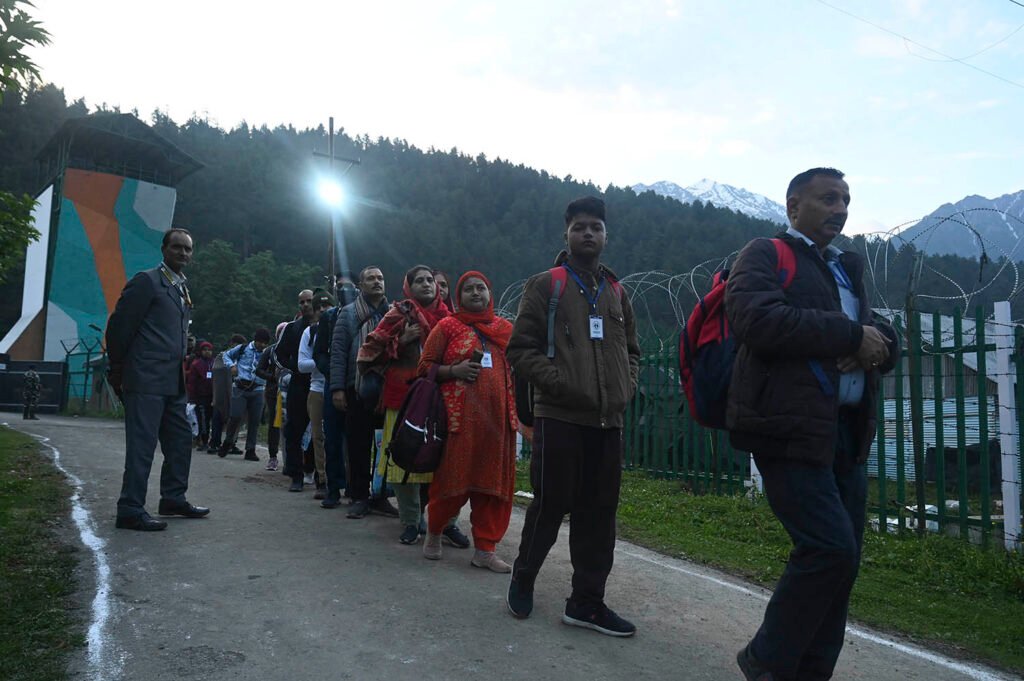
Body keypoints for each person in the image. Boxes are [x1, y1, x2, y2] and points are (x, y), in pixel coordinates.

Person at [726, 168, 898, 681]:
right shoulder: (765, 254)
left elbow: (880, 335)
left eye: (846, 199)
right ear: (794, 205)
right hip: (787, 429)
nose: (841, 208)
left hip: (845, 433)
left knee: (843, 564)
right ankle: (767, 661)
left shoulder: (845, 267)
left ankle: (811, 671)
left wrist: (874, 344)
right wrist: (848, 337)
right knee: (828, 547)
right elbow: (756, 319)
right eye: (828, 198)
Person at [505, 196, 640, 637]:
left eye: (596, 227)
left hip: (607, 422)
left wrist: (626, 386)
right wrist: (560, 383)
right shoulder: (548, 284)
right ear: (566, 233)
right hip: (559, 417)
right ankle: (524, 576)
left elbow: (632, 352)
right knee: (549, 506)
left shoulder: (618, 292)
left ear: (606, 235)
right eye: (580, 226)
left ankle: (586, 603)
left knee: (599, 516)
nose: (588, 233)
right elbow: (520, 349)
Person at [106, 227, 209, 531]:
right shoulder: (147, 281)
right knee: (142, 446)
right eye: (177, 247)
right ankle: (130, 508)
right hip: (146, 379)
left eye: (188, 249)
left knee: (180, 441)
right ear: (164, 249)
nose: (183, 253)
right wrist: (118, 367)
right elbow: (119, 326)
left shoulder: (180, 287)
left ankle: (173, 498)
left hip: (173, 381)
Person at [418, 271, 516, 570]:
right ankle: (434, 532)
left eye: (481, 288)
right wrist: (454, 371)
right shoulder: (447, 326)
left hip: (498, 424)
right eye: (469, 289)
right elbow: (424, 368)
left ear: (490, 293)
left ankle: (485, 549)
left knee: (493, 488)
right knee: (451, 482)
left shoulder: (506, 330)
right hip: (458, 421)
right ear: (458, 297)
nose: (476, 293)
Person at [357, 265, 464, 544]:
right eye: (420, 281)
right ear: (408, 286)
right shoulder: (398, 314)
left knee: (445, 463)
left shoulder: (450, 319)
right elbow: (369, 351)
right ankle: (410, 521)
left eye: (431, 280)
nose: (428, 285)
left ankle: (446, 523)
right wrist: (400, 340)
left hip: (442, 399)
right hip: (403, 397)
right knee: (403, 460)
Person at [328, 266, 396, 518]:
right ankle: (358, 496)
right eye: (371, 279)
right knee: (358, 444)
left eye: (380, 278)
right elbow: (338, 353)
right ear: (361, 285)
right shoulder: (347, 315)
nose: (377, 282)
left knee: (384, 446)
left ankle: (380, 496)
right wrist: (337, 388)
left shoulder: (394, 314)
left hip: (387, 389)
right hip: (355, 387)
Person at [313, 274, 357, 507]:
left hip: (359, 383)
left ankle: (356, 487)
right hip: (334, 383)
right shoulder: (329, 317)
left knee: (358, 438)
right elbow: (319, 352)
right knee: (332, 437)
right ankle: (334, 487)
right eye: (339, 287)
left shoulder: (366, 314)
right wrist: (333, 372)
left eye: (348, 286)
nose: (343, 290)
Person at [276, 289, 316, 492]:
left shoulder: (327, 324)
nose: (305, 305)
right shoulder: (292, 328)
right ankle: (296, 475)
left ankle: (315, 472)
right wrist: (294, 365)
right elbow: (278, 354)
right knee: (294, 431)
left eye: (309, 301)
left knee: (320, 433)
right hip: (299, 385)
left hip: (320, 384)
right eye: (302, 302)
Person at [299, 290, 334, 499]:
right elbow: (301, 365)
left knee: (340, 437)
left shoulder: (342, 327)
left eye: (326, 305)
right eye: (318, 306)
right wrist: (325, 363)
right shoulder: (309, 333)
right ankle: (322, 479)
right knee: (318, 437)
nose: (322, 309)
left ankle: (343, 479)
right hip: (317, 390)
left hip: (339, 388)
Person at [219, 328, 272, 461]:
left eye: (265, 343)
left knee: (254, 421)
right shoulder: (243, 349)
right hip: (240, 387)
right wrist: (231, 366)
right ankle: (228, 441)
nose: (263, 345)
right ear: (255, 340)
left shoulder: (267, 353)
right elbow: (226, 355)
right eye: (261, 342)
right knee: (235, 416)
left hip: (258, 389)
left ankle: (250, 449)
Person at [256, 322, 288, 472]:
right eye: (280, 332)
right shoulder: (270, 351)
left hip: (290, 391)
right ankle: (273, 456)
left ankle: (291, 459)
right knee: (274, 424)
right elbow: (259, 370)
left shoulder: (294, 349)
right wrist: (273, 377)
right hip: (273, 392)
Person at [207, 333, 245, 454]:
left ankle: (231, 443)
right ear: (232, 344)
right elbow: (217, 370)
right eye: (237, 345)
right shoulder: (222, 356)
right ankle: (214, 443)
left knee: (235, 419)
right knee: (218, 416)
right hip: (221, 393)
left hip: (236, 392)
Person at [186, 342, 215, 446]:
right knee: (202, 419)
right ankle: (202, 439)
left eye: (209, 350)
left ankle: (212, 440)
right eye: (205, 350)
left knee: (212, 418)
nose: (207, 352)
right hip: (200, 396)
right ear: (201, 351)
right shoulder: (196, 364)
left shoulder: (214, 363)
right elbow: (191, 382)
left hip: (213, 396)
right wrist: (192, 397)